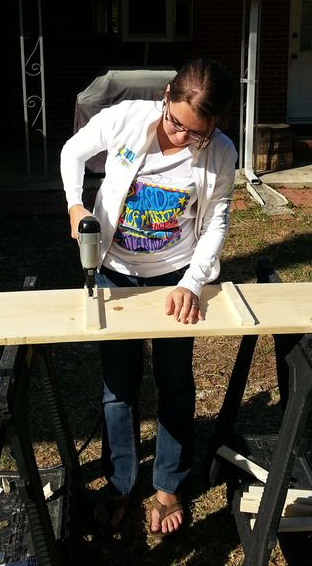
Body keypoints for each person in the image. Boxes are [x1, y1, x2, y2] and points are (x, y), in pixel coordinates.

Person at [60, 57, 237, 539]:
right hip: (114, 273)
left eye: (196, 133)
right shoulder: (127, 118)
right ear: (165, 99)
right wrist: (76, 203)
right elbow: (73, 152)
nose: (181, 137)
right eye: (175, 122)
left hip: (174, 277)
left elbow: (217, 218)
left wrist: (193, 282)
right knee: (118, 386)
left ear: (215, 125)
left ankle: (168, 485)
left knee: (174, 382)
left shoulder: (221, 151)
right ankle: (120, 482)